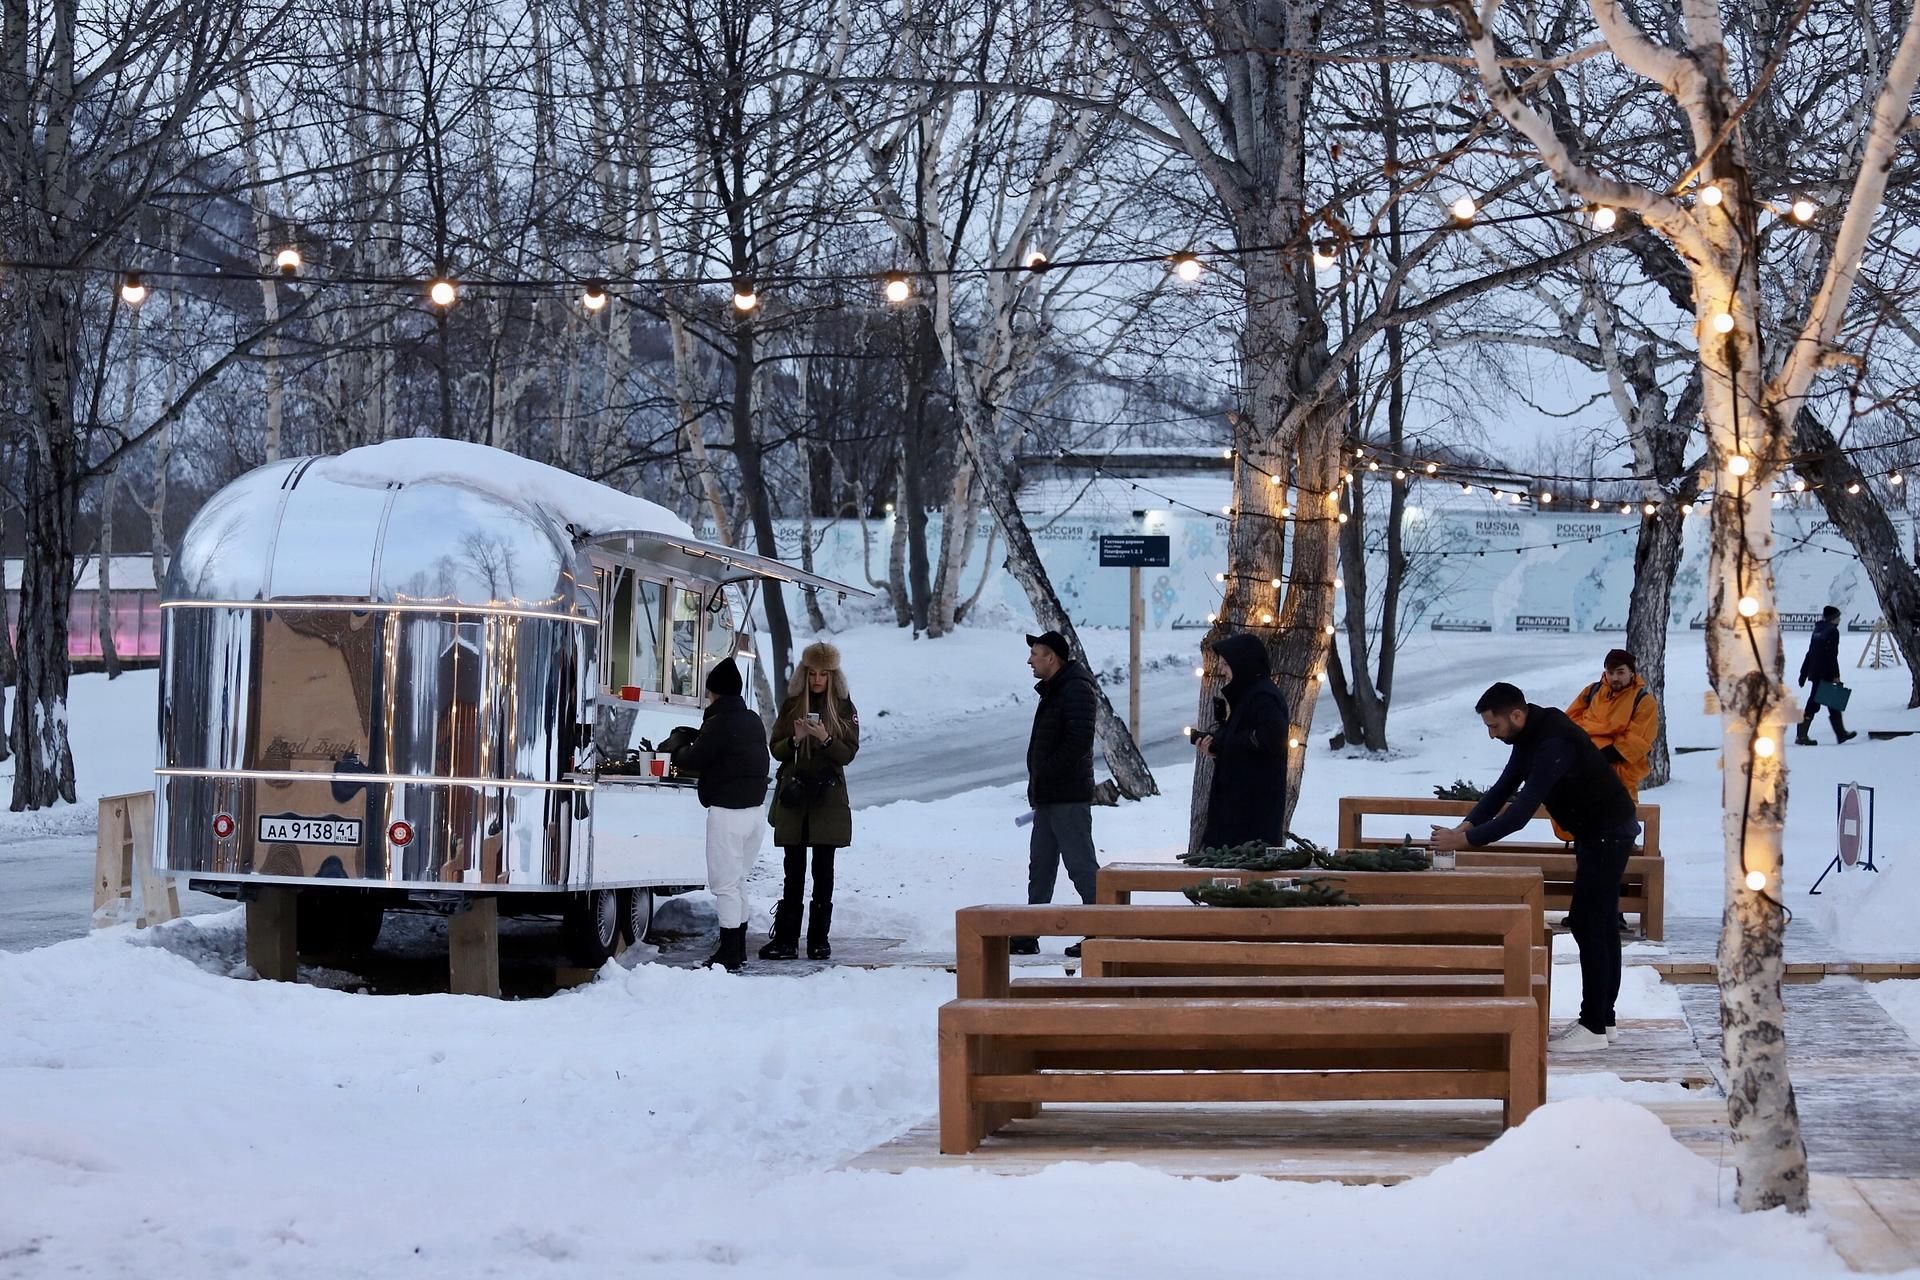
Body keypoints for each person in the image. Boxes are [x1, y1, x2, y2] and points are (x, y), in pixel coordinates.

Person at [1430, 682, 1640, 1054]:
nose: (1492, 735)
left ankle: (1593, 1024)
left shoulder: (1552, 743)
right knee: (1601, 922)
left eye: (1493, 727)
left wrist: (1466, 842)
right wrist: (1466, 825)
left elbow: (1521, 813)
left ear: (1516, 715)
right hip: (1599, 832)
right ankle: (1603, 1021)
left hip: (1608, 832)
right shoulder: (1529, 735)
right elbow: (1503, 789)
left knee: (1589, 922)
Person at [761, 641, 860, 961]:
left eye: (824, 674)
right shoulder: (791, 705)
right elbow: (775, 748)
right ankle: (787, 941)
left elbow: (848, 754)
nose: (818, 680)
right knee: (793, 872)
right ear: (805, 673)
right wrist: (795, 739)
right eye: (813, 673)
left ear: (833, 676)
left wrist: (825, 739)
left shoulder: (844, 708)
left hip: (827, 799)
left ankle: (819, 940)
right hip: (794, 797)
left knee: (824, 872)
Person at [671, 657, 771, 972]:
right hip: (755, 812)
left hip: (727, 813)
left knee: (724, 885)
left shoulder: (719, 723)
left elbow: (694, 758)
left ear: (714, 692)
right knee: (737, 881)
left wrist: (677, 746)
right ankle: (736, 946)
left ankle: (729, 952)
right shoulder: (753, 719)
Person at [1012, 629, 1099, 957]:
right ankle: (1029, 932)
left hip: (1068, 796)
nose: (1030, 660)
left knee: (1081, 866)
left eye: (1035, 654)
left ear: (1053, 657)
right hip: (1049, 796)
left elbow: (1078, 740)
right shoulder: (1055, 689)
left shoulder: (1075, 689)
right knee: (1042, 865)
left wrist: (1047, 772)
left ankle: (1101, 931)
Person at [1193, 632, 1290, 850]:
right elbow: (1243, 744)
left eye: (1226, 665)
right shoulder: (1247, 696)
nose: (1222, 671)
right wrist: (1217, 749)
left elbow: (1268, 741)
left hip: (1252, 813)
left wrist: (1225, 744)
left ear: (1242, 663)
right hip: (1237, 807)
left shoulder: (1263, 697)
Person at [1797, 606, 1857, 745]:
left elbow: (1810, 653)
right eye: (1838, 617)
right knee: (1814, 703)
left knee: (1832, 701)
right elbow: (1832, 655)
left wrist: (1803, 673)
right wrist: (1836, 675)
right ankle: (1801, 736)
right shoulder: (1832, 631)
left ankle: (1841, 734)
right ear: (1833, 618)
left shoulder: (1818, 630)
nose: (1840, 619)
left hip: (1815, 671)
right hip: (1825, 672)